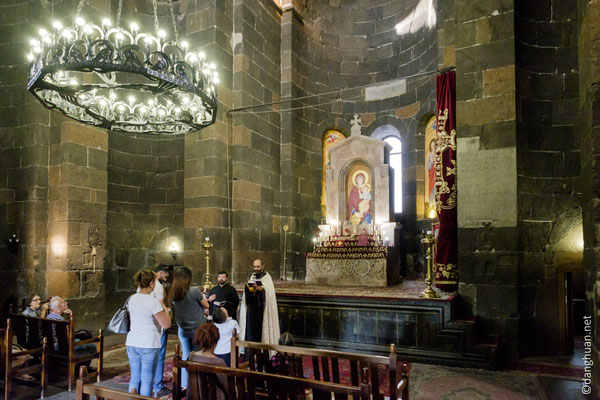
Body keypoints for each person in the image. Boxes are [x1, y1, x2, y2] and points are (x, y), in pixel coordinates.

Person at [127, 269, 171, 397]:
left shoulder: (132, 298)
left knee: (135, 377)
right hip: (148, 343)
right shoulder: (152, 301)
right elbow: (166, 324)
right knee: (147, 379)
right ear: (152, 283)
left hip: (133, 341)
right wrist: (166, 311)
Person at [168, 266, 209, 391]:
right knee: (198, 355)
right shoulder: (194, 291)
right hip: (197, 328)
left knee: (186, 355)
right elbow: (206, 305)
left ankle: (186, 384)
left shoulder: (173, 292)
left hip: (182, 328)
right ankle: (198, 384)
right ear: (188, 278)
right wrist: (203, 296)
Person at [239, 259, 280, 346]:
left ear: (263, 266)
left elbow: (268, 292)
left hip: (262, 309)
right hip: (252, 309)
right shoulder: (252, 276)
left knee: (259, 332)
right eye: (254, 267)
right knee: (251, 332)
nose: (256, 269)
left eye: (258, 266)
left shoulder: (267, 277)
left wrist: (260, 289)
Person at [188, 323, 228, 400]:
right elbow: (226, 387)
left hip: (195, 396)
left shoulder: (191, 357)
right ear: (216, 342)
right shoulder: (219, 362)